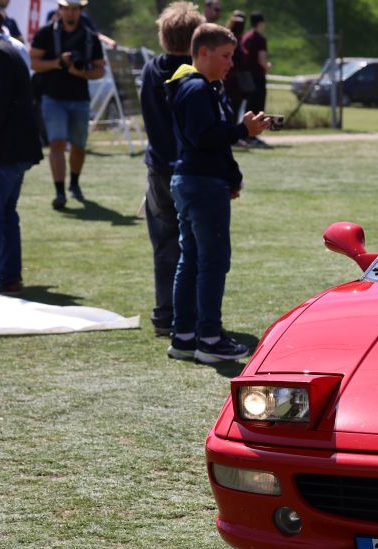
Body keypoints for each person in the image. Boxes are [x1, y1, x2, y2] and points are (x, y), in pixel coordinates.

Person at [165, 22, 270, 362]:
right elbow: (205, 138)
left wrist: (230, 176)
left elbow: (207, 139)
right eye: (225, 56)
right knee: (211, 262)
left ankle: (184, 337)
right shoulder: (197, 88)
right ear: (203, 53)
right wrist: (243, 130)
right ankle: (209, 338)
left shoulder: (196, 86)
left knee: (192, 260)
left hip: (192, 180)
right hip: (200, 183)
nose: (231, 63)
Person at [139, 1, 204, 336]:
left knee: (164, 244)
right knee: (195, 247)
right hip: (190, 171)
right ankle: (191, 315)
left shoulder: (152, 69)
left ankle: (165, 312)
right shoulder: (196, 75)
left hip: (158, 168)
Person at [0, 3, 42, 296]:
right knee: (5, 214)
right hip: (14, 151)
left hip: (3, 152)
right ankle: (8, 277)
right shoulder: (5, 50)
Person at [29, 0, 104, 210]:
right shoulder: (45, 33)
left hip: (80, 99)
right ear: (60, 10)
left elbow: (100, 69)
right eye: (67, 8)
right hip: (52, 97)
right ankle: (59, 191)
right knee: (57, 143)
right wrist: (57, 62)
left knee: (78, 146)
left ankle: (74, 183)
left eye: (74, 9)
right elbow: (33, 62)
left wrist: (82, 72)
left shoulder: (90, 37)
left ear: (80, 10)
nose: (70, 12)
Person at [241, 11, 269, 144]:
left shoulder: (246, 37)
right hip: (257, 77)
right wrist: (267, 66)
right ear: (261, 23)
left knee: (248, 106)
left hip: (247, 77)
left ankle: (245, 133)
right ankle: (252, 135)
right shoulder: (260, 39)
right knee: (257, 107)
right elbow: (261, 60)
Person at [222, 11, 248, 120]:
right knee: (233, 110)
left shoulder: (225, 40)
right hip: (234, 81)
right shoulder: (237, 43)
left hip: (227, 79)